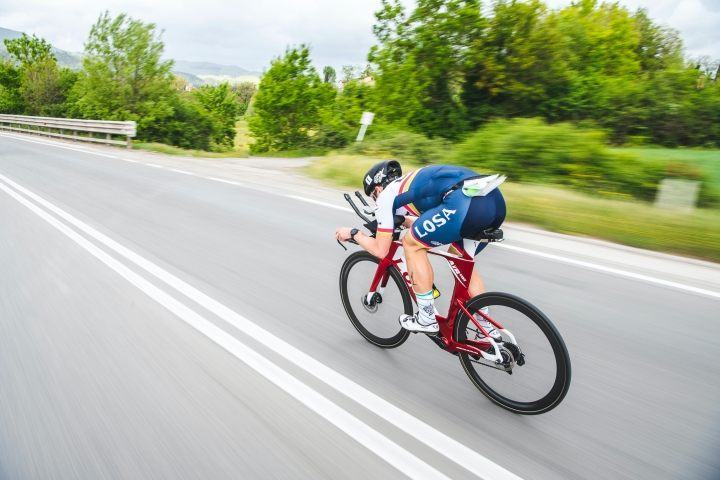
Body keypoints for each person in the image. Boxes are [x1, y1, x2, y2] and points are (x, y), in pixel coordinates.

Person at [335, 161, 506, 336]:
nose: (376, 201)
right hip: (493, 201)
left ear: (378, 189)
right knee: (459, 260)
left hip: (462, 202)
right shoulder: (409, 185)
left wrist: (354, 233)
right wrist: (410, 222)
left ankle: (426, 317)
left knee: (412, 245)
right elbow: (438, 218)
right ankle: (486, 327)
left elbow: (381, 251)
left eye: (373, 196)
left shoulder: (386, 196)